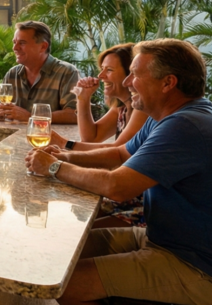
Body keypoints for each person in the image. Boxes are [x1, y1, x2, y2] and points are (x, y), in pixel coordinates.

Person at [26, 39, 212, 305]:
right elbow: (120, 154)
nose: (128, 82)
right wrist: (67, 155)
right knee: (64, 250)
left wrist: (54, 167)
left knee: (65, 285)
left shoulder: (188, 125)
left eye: (136, 75)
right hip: (170, 242)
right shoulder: (166, 116)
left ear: (168, 83)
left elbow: (117, 186)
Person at [48, 43, 150, 228]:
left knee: (77, 223)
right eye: (102, 70)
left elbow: (116, 152)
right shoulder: (121, 107)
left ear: (131, 74)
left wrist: (65, 144)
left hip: (140, 200)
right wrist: (83, 98)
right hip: (126, 194)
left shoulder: (143, 110)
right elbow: (91, 137)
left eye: (109, 70)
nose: (101, 76)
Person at [0, 21, 80, 123]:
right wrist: (0, 112)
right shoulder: (12, 74)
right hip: (15, 136)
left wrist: (32, 116)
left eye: (22, 43)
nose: (15, 48)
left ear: (43, 46)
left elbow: (75, 114)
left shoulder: (67, 72)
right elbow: (7, 111)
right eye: (14, 42)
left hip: (50, 137)